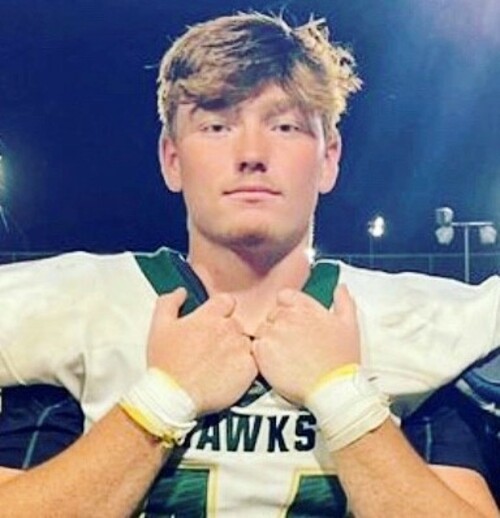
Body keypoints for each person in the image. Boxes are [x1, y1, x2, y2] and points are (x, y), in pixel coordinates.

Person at [0, 11, 499, 516]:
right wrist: (160, 403)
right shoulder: (79, 319)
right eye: (217, 126)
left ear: (329, 159)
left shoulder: (410, 334)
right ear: (172, 159)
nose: (252, 154)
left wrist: (342, 398)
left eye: (285, 126)